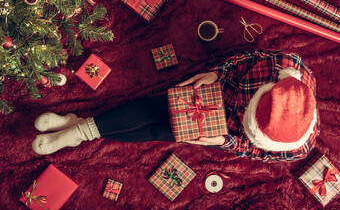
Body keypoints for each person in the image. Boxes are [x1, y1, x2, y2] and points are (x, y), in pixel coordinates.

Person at [32, 49, 319, 163]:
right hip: (216, 94)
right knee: (152, 109)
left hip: (222, 131)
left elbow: (254, 152)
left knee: (158, 131)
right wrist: (217, 73)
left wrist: (227, 141)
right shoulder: (284, 66)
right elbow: (247, 59)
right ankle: (79, 131)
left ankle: (77, 124)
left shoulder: (296, 149)